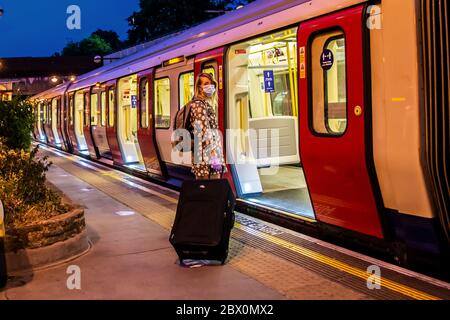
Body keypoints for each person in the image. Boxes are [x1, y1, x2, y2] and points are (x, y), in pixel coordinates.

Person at [189, 73, 226, 180]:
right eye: (206, 83)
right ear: (199, 88)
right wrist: (213, 154)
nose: (210, 86)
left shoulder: (204, 103)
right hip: (206, 153)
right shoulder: (199, 104)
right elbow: (204, 131)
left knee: (207, 188)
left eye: (211, 83)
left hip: (205, 152)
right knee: (212, 186)